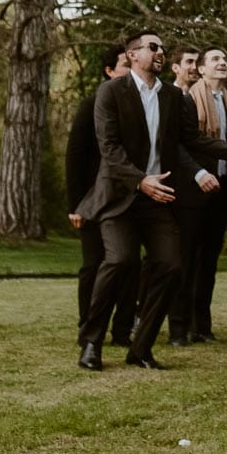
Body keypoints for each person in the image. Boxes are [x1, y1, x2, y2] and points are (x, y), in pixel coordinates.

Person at [77, 29, 227, 371]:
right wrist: (140, 180)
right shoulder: (111, 91)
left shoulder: (173, 98)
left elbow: (192, 140)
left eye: (162, 47)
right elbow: (110, 150)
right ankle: (91, 342)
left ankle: (141, 348)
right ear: (133, 55)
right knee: (120, 261)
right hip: (120, 196)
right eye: (153, 47)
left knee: (172, 266)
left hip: (157, 200)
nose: (160, 52)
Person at [65, 43, 138, 352]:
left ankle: (122, 330)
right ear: (110, 71)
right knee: (94, 264)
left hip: (129, 198)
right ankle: (88, 327)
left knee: (130, 264)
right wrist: (76, 206)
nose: (131, 71)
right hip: (93, 201)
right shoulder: (90, 105)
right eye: (125, 65)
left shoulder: (136, 106)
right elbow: (75, 157)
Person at [172, 45, 227, 345]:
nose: (222, 62)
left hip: (221, 192)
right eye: (216, 59)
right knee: (187, 261)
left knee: (209, 263)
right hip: (192, 192)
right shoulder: (188, 101)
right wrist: (197, 174)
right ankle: (180, 327)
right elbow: (179, 145)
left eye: (225, 59)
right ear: (201, 69)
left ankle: (202, 325)